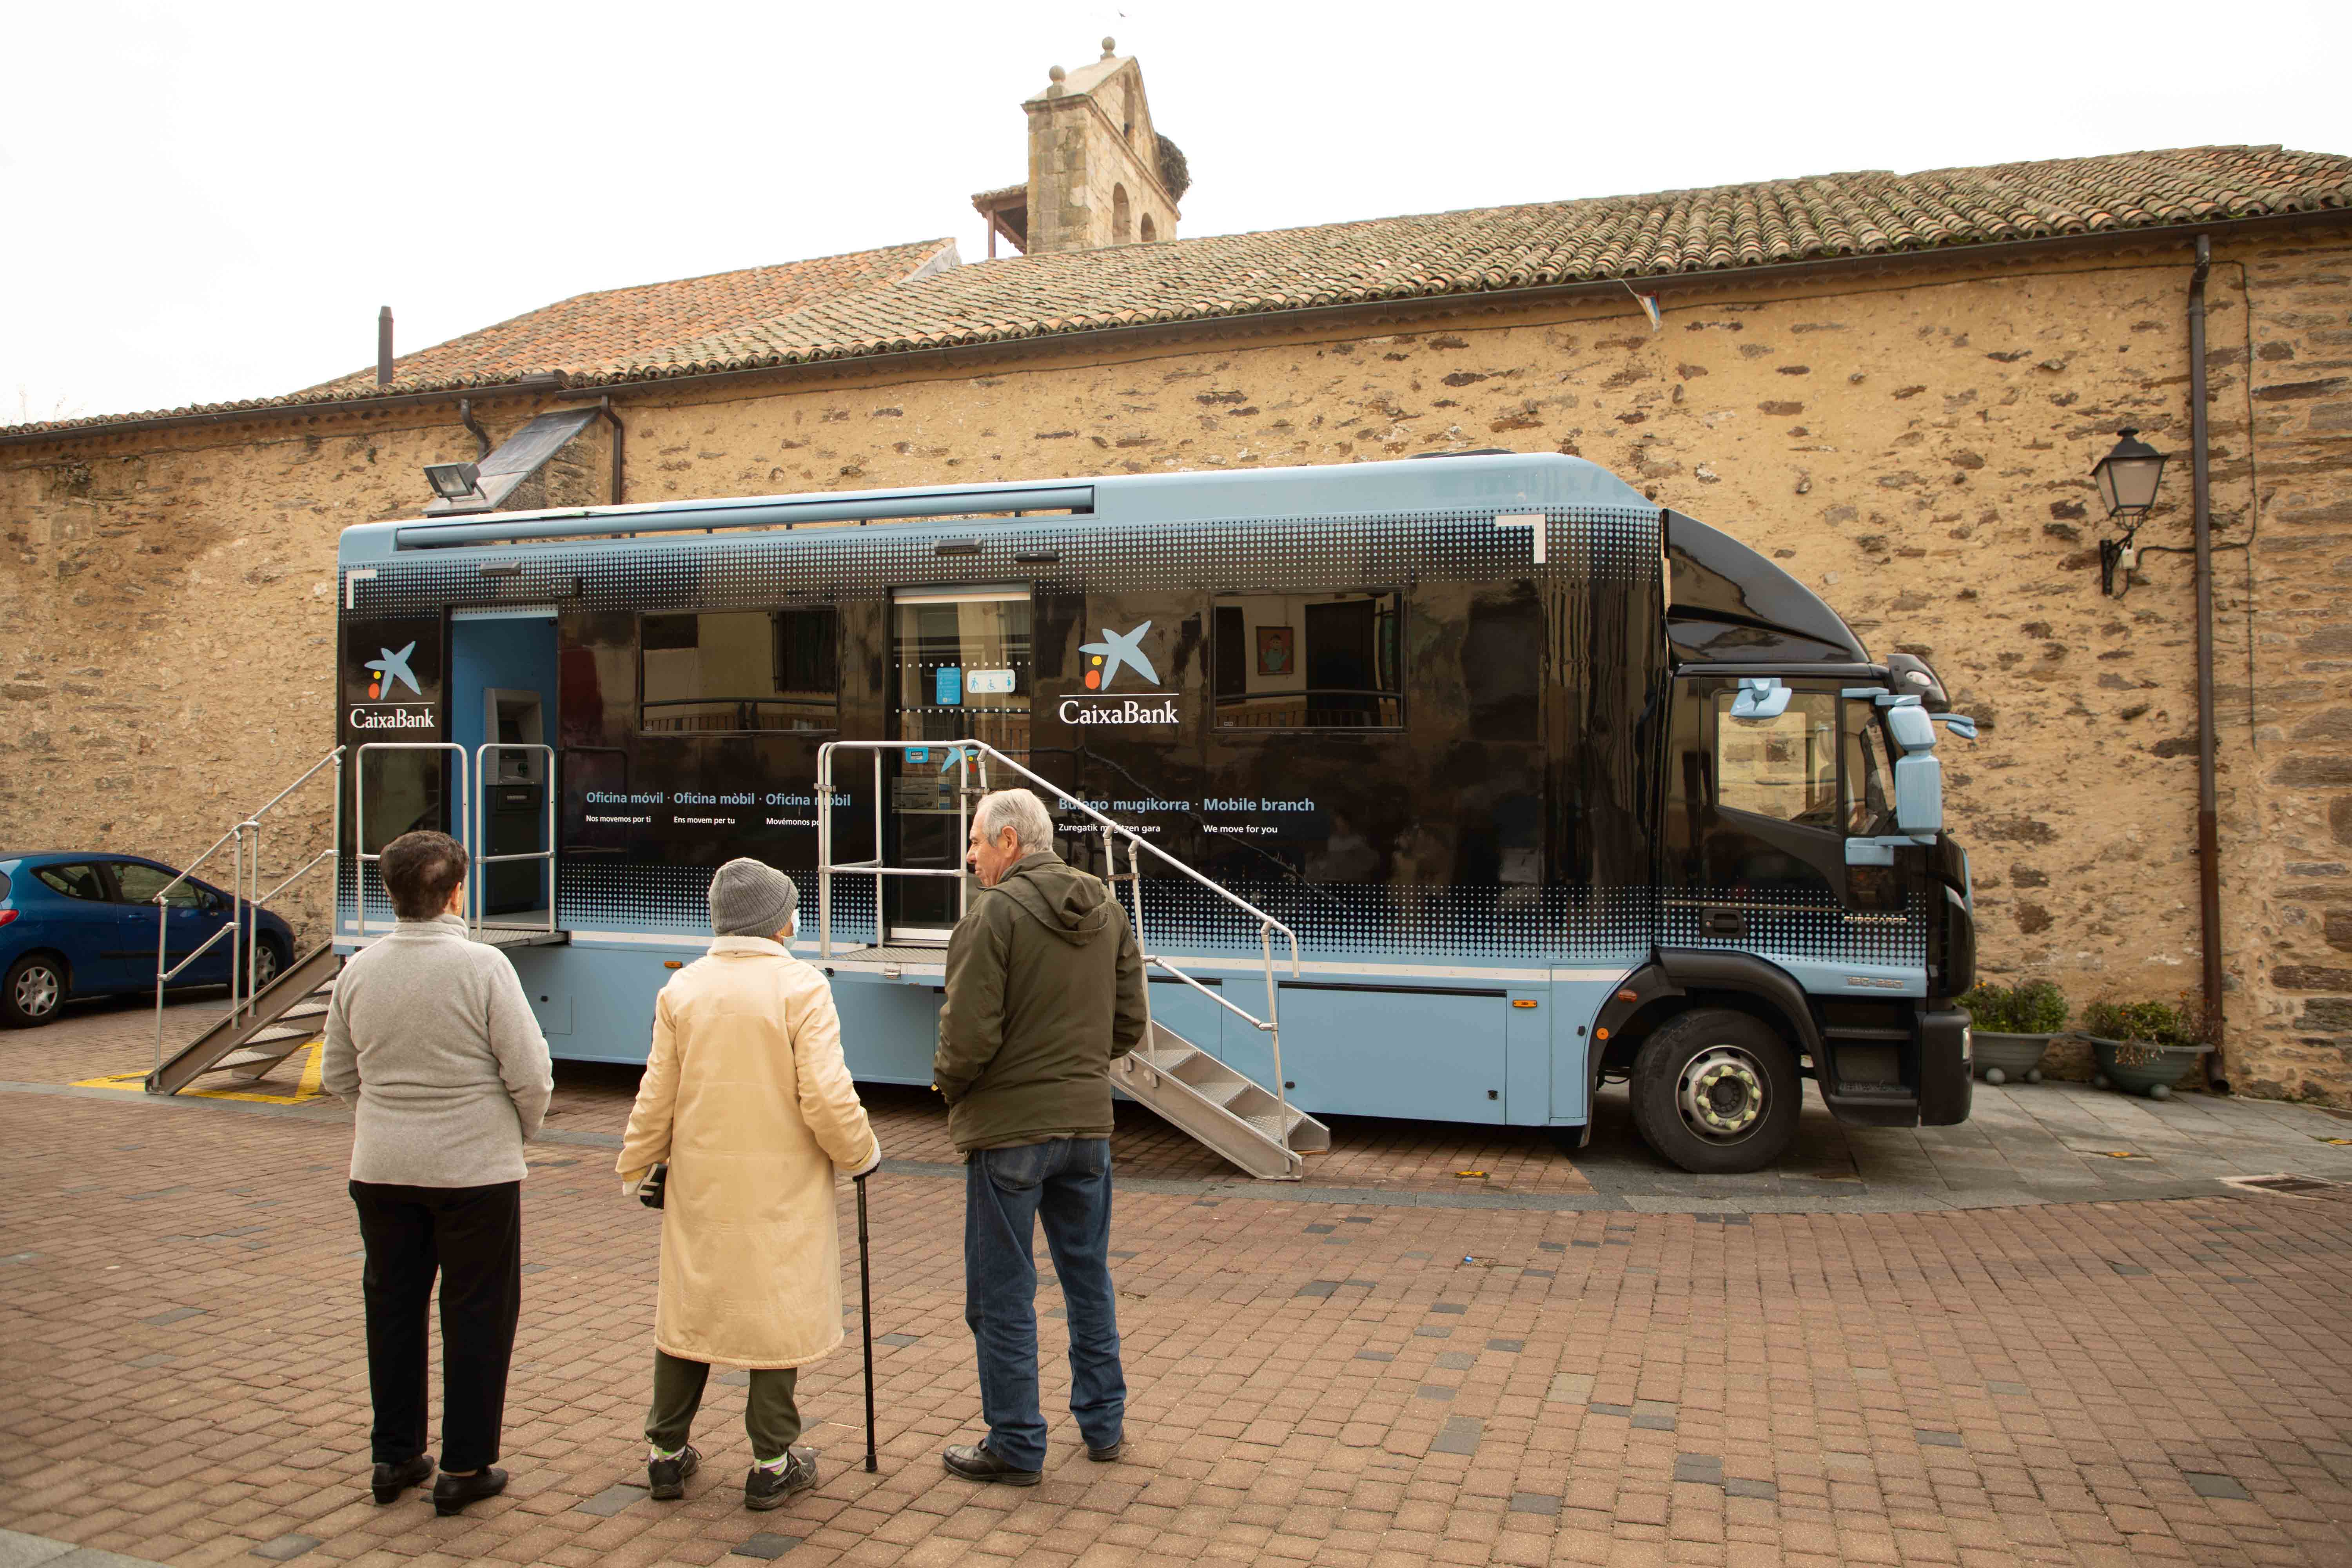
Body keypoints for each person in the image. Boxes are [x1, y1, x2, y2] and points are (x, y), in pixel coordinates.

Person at [617, 858, 880, 1511]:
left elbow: (659, 1094)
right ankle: (771, 1461)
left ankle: (666, 1453)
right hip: (781, 1181)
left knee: (691, 1305)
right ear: (776, 920)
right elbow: (824, 1094)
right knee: (774, 1307)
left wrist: (639, 1164)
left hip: (702, 1180)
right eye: (791, 906)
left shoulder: (683, 990)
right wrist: (862, 1154)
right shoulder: (802, 986)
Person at [323, 829, 552, 1516]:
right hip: (475, 1172)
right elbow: (530, 1073)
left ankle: (394, 1457)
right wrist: (519, 1130)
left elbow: (339, 1073)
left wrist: (391, 1115)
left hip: (382, 1168)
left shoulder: (359, 969)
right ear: (458, 891)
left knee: (391, 1309)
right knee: (478, 1312)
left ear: (390, 893)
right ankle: (465, 1464)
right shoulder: (484, 968)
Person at [934, 788, 1148, 1485]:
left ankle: (1018, 1444)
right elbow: (1128, 1027)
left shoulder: (991, 916)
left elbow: (966, 1039)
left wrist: (953, 1089)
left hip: (1010, 1136)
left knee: (1003, 1294)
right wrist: (1081, 1072)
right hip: (1088, 1129)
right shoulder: (1108, 910)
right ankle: (1104, 1426)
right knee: (1088, 1279)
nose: (969, 858)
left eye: (974, 842)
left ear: (1006, 840)